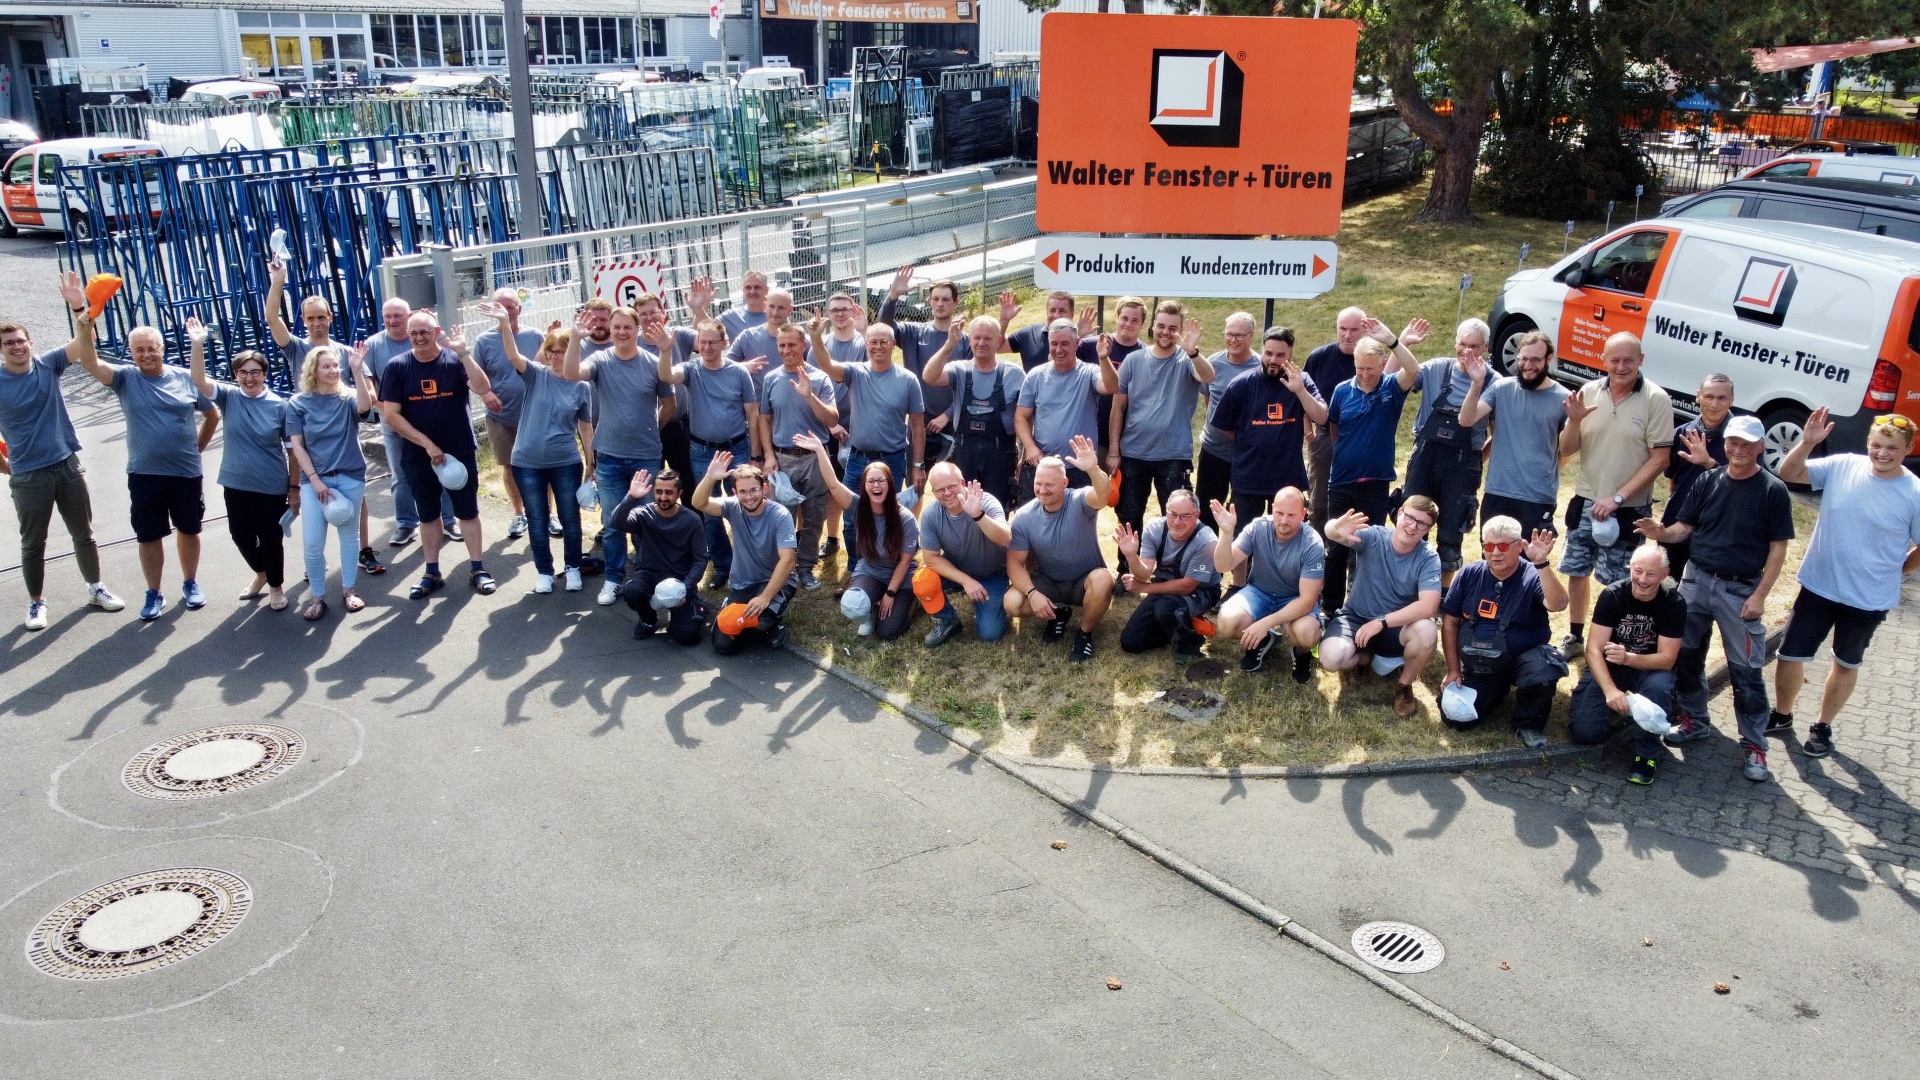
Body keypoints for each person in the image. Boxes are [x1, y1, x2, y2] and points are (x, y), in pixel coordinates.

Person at [1632, 413, 1791, 782]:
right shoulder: (1708, 480)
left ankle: (1754, 745)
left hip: (1740, 590)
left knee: (1746, 671)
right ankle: (1695, 719)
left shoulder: (1773, 490)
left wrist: (1760, 596)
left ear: (1760, 447)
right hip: (1696, 581)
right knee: (1685, 656)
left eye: (1747, 444)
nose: (1738, 449)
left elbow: (1778, 549)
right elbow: (1684, 529)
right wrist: (1660, 532)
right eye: (1733, 442)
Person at [1772, 409, 1920, 759]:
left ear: (1909, 448)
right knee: (1790, 654)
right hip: (1819, 585)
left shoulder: (1914, 492)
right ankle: (1781, 714)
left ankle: (1822, 726)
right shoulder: (1842, 465)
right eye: (1877, 445)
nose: (1882, 453)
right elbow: (1788, 473)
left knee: (1845, 662)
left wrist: (1897, 571)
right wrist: (1807, 443)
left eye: (1892, 448)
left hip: (1869, 599)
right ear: (1868, 442)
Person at [0, 274, 125, 628]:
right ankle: (36, 603)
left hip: (67, 465)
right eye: (9, 343)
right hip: (28, 474)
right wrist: (6, 466)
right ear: (1, 349)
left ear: (31, 342)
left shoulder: (48, 363)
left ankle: (96, 588)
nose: (17, 347)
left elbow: (85, 343)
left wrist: (78, 307)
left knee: (84, 534)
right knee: (33, 544)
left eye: (21, 341)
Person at [73, 323, 219, 621]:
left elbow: (212, 415)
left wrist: (197, 450)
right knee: (149, 535)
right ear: (131, 353)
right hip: (144, 473)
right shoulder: (125, 378)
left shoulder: (186, 378)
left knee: (189, 529)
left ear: (162, 349)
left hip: (186, 473)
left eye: (152, 348)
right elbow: (89, 362)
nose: (146, 355)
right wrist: (83, 325)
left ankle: (190, 583)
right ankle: (154, 592)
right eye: (139, 350)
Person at [265, 259, 384, 577]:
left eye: (322, 317)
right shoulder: (297, 348)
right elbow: (272, 319)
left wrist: (351, 392)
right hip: (306, 429)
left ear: (330, 318)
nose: (317, 323)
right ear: (303, 321)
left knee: (355, 495)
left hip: (342, 431)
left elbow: (370, 394)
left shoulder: (346, 353)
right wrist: (278, 282)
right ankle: (316, 559)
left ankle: (363, 550)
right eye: (311, 318)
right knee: (312, 494)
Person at [1557, 331, 1672, 652]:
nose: (1621, 367)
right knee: (1577, 571)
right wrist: (1573, 421)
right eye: (1615, 360)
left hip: (1628, 509)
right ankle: (1576, 636)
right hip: (1586, 501)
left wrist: (1618, 498)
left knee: (1620, 581)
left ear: (1641, 360)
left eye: (1628, 360)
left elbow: (1660, 459)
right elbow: (1566, 448)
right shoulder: (1588, 392)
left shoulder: (1656, 399)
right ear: (1603, 360)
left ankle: (1610, 643)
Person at [377, 310, 497, 599]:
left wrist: (464, 352)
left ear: (436, 331)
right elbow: (391, 415)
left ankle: (478, 569)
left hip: (459, 450)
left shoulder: (454, 361)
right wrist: (427, 444)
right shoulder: (397, 367)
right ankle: (432, 572)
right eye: (414, 333)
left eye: (425, 332)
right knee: (428, 514)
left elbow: (482, 388)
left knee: (468, 511)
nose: (419, 338)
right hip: (418, 455)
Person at [565, 305, 670, 607]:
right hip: (609, 457)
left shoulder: (653, 364)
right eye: (617, 327)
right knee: (613, 524)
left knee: (646, 522)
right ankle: (613, 578)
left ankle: (647, 577)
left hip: (646, 458)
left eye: (627, 327)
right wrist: (575, 338)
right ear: (610, 331)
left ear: (638, 330)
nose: (622, 332)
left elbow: (669, 404)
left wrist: (650, 429)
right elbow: (571, 374)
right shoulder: (601, 360)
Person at [187, 320, 293, 611]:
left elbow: (293, 451)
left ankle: (276, 586)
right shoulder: (229, 397)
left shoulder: (280, 406)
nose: (249, 378)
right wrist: (197, 344)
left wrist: (294, 487)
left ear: (265, 374)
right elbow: (198, 380)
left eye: (255, 372)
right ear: (235, 375)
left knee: (270, 538)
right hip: (236, 482)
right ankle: (261, 573)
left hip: (271, 484)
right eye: (243, 372)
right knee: (241, 536)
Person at [1438, 517, 1570, 748]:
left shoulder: (1533, 574)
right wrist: (1453, 670)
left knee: (1544, 669)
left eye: (1502, 546)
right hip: (1481, 664)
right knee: (1455, 718)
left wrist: (1542, 564)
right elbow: (1450, 623)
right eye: (1489, 546)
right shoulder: (1469, 573)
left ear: (1519, 546)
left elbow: (1559, 604)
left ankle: (1528, 724)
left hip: (1522, 661)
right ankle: (1497, 689)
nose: (1495, 553)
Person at [1322, 325, 1426, 611]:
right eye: (1359, 368)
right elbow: (1335, 429)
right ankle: (1330, 607)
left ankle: (1363, 605)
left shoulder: (1392, 387)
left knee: (1370, 547)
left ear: (1383, 364)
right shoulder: (1342, 390)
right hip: (1341, 480)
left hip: (1375, 483)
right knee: (1336, 545)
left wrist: (1393, 340)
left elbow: (1413, 369)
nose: (1365, 374)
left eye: (1370, 368)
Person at [491, 307, 594, 594]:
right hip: (527, 462)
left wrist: (591, 462)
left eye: (562, 351)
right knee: (537, 519)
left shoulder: (581, 386)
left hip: (565, 462)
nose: (556, 356)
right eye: (551, 351)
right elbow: (513, 356)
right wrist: (505, 323)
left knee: (570, 518)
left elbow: (585, 427)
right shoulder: (536, 374)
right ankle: (544, 572)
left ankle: (573, 568)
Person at [1389, 318, 1498, 586]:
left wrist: (1475, 460)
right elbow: (1389, 382)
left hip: (1462, 468)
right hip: (1424, 460)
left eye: (1474, 346)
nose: (1467, 351)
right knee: (1412, 526)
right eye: (1462, 344)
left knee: (1451, 536)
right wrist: (1402, 344)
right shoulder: (1437, 368)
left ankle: (1443, 596)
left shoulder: (1495, 383)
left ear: (1486, 347)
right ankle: (1406, 588)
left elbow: (1498, 434)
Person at [1568, 545, 1685, 786]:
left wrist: (1628, 658)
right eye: (1638, 571)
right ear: (1630, 568)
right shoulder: (1613, 595)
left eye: (1651, 574)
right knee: (1584, 733)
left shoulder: (1674, 602)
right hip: (1610, 667)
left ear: (1665, 574)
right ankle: (1632, 718)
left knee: (1658, 688)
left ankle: (1647, 754)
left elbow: (1667, 659)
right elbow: (1593, 650)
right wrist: (1610, 690)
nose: (1643, 579)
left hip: (1650, 670)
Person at [1107, 301, 1212, 565]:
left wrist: (1193, 352)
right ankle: (1127, 569)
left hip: (1173, 455)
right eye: (1161, 326)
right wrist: (1114, 451)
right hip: (1133, 453)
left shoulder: (1186, 360)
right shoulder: (1133, 360)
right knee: (1129, 515)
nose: (1166, 332)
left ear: (1180, 331)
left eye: (1173, 328)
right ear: (1153, 326)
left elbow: (1208, 376)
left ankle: (1173, 570)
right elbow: (1118, 408)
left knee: (1178, 518)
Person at [1320, 496, 1445, 717]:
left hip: (1394, 628)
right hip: (1355, 618)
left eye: (1422, 524)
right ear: (1399, 514)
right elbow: (1332, 533)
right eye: (1410, 517)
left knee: (1427, 630)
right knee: (1330, 659)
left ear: (1428, 529)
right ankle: (1364, 657)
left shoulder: (1428, 558)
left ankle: (1404, 685)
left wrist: (1381, 622)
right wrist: (1335, 527)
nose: (1412, 526)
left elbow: (1429, 607)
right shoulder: (1375, 537)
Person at [659, 318, 760, 589]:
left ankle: (749, 564)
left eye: (712, 343)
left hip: (737, 448)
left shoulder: (739, 373)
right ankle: (722, 566)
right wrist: (666, 350)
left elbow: (752, 413)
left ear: (724, 343)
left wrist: (755, 455)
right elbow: (667, 376)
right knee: (709, 511)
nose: (706, 348)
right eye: (702, 343)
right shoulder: (691, 369)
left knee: (746, 506)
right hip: (703, 451)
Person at [1005, 435, 1113, 663]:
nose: (1042, 490)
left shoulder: (1081, 501)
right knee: (1012, 602)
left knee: (1104, 579)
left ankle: (1084, 634)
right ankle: (1059, 612)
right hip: (1049, 582)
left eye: (1049, 485)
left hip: (1084, 582)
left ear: (1064, 483)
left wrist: (1093, 469)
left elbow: (1103, 494)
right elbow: (1014, 563)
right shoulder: (1023, 517)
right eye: (1038, 484)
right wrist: (1033, 594)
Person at [287, 344, 376, 619]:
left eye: (336, 365)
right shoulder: (298, 403)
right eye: (326, 366)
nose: (333, 370)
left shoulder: (347, 397)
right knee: (313, 542)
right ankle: (317, 597)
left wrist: (357, 371)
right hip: (314, 482)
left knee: (349, 537)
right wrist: (315, 481)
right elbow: (297, 446)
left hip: (350, 476)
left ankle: (349, 590)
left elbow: (365, 407)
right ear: (313, 371)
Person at [1206, 327, 1326, 529]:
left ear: (1291, 355)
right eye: (1268, 353)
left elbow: (1321, 417)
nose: (1273, 360)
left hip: (1287, 478)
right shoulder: (1242, 384)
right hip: (1248, 478)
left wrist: (1300, 391)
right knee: (1242, 537)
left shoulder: (1301, 380)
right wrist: (1249, 438)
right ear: (1262, 350)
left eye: (1280, 355)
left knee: (1287, 536)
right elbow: (1223, 425)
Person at [812, 315, 925, 531]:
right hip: (857, 459)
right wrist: (816, 337)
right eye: (873, 342)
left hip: (892, 459)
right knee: (851, 518)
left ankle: (885, 553)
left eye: (883, 342)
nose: (878, 346)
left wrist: (918, 465)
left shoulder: (908, 380)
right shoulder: (856, 372)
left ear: (893, 345)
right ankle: (855, 555)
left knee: (887, 517)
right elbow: (827, 364)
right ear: (866, 344)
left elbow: (918, 426)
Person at [1457, 329, 1571, 542]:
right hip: (1497, 492)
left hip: (1538, 497)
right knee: (1492, 554)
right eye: (1523, 359)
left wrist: (1546, 473)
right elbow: (1466, 419)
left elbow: (1567, 450)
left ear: (1549, 359)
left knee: (1530, 557)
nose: (1528, 365)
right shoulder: (1501, 388)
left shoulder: (1564, 398)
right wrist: (1476, 383)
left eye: (1535, 360)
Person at [363, 297, 456, 547]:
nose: (392, 321)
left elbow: (451, 358)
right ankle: (406, 523)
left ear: (409, 317)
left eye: (398, 316)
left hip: (433, 423)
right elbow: (370, 392)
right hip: (395, 427)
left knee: (443, 469)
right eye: (387, 316)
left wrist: (437, 329)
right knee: (401, 476)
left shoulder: (423, 336)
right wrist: (394, 415)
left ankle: (449, 520)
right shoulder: (373, 345)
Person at [1211, 487, 1324, 680]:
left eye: (1291, 515)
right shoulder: (1258, 527)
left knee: (1306, 634)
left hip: (1295, 598)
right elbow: (1223, 565)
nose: (1284, 520)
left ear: (1303, 514)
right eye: (1279, 513)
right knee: (1227, 622)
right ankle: (1263, 639)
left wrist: (1266, 622)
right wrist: (1227, 533)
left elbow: (1307, 601)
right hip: (1259, 592)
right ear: (1272, 509)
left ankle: (1301, 652)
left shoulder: (1312, 543)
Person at [759, 324, 839, 590]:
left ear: (803, 346)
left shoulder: (820, 378)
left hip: (815, 458)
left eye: (791, 344)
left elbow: (832, 419)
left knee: (814, 515)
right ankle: (783, 569)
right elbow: (764, 418)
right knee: (782, 517)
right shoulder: (771, 379)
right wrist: (768, 455)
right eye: (781, 345)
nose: (786, 350)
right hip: (782, 459)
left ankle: (805, 567)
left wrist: (810, 396)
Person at [692, 452, 798, 654]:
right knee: (723, 645)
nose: (749, 497)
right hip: (743, 584)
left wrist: (765, 597)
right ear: (735, 492)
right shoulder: (732, 507)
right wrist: (710, 477)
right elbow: (699, 503)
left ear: (764, 489)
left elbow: (788, 560)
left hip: (774, 581)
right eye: (743, 492)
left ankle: (772, 624)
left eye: (754, 490)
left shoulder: (780, 515)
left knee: (762, 618)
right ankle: (749, 622)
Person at [927, 315, 1026, 509]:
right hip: (964, 451)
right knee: (960, 506)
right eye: (977, 337)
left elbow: (1026, 417)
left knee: (996, 508)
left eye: (988, 338)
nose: (981, 343)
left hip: (1000, 454)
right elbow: (929, 377)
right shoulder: (959, 370)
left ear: (998, 340)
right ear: (969, 339)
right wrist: (950, 344)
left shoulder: (1015, 374)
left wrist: (1025, 453)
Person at [469, 288, 545, 540]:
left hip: (535, 415)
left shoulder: (535, 336)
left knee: (542, 465)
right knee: (509, 466)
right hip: (500, 417)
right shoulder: (484, 341)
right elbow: (472, 376)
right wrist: (485, 394)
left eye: (510, 306)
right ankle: (519, 513)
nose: (504, 311)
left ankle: (548, 514)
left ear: (519, 309)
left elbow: (546, 371)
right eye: (499, 307)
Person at [1014, 319, 1118, 502]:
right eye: (1054, 343)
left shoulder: (1088, 372)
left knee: (1079, 517)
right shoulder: (1035, 376)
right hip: (1044, 466)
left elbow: (1111, 387)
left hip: (1080, 467)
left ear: (1077, 343)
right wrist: (1030, 448)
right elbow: (1021, 417)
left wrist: (1103, 358)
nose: (1058, 349)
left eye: (1064, 343)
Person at [1116, 490, 1221, 663]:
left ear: (1197, 515)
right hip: (1166, 586)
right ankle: (1180, 624)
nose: (1177, 522)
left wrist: (1144, 588)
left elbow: (1187, 586)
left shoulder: (1207, 540)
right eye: (1172, 514)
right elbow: (1143, 573)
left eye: (1185, 516)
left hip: (1202, 590)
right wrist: (1131, 556)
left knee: (1165, 608)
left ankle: (1190, 642)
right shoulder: (1154, 528)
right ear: (1166, 512)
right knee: (1131, 642)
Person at [915, 462, 1013, 647]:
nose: (947, 493)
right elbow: (931, 558)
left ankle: (993, 599)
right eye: (940, 490)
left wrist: (978, 515)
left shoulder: (986, 502)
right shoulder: (930, 515)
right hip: (958, 565)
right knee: (922, 580)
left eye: (951, 486)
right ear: (933, 492)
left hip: (993, 572)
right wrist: (966, 581)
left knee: (990, 633)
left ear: (962, 482)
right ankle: (947, 620)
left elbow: (1005, 538)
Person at [608, 467, 709, 644]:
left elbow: (700, 559)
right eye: (659, 492)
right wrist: (631, 497)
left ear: (679, 494)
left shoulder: (692, 520)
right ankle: (648, 619)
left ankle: (689, 610)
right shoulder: (643, 514)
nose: (663, 497)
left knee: (688, 636)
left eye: (669, 492)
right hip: (649, 574)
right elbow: (616, 522)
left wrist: (684, 588)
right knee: (632, 592)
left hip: (679, 579)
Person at [804, 291, 869, 560]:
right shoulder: (821, 345)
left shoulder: (864, 343)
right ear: (828, 315)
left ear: (853, 311)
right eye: (835, 310)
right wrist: (831, 425)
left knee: (861, 486)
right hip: (828, 427)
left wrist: (865, 331)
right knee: (833, 486)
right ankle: (832, 539)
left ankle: (865, 538)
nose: (840, 314)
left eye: (845, 309)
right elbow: (810, 387)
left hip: (860, 426)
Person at [877, 268, 961, 466]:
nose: (940, 304)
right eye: (936, 299)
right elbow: (884, 327)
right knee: (916, 480)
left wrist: (947, 415)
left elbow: (971, 384)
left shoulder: (963, 340)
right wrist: (893, 296)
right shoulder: (913, 333)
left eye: (946, 299)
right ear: (929, 301)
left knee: (950, 482)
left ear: (956, 302)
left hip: (952, 427)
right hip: (918, 425)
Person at [1302, 307, 1373, 531]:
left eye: (1354, 330)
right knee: (1319, 497)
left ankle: (1355, 545)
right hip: (1324, 438)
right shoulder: (1319, 357)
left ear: (1364, 330)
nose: (1347, 335)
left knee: (1357, 497)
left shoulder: (1372, 360)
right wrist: (1309, 435)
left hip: (1362, 439)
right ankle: (1316, 542)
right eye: (1342, 329)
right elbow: (1301, 395)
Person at [1661, 374, 1733, 582]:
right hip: (1675, 530)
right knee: (1667, 589)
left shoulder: (1741, 442)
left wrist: (1709, 463)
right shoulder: (1681, 434)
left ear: (1732, 399)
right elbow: (1673, 483)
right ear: (1698, 396)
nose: (1714, 404)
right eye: (1709, 396)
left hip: (1715, 535)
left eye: (1722, 398)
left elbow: (1746, 488)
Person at [841, 451, 920, 641]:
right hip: (871, 571)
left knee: (887, 631)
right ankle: (870, 611)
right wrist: (820, 451)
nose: (876, 485)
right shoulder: (859, 508)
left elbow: (905, 561)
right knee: (851, 603)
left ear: (890, 484)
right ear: (864, 486)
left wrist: (890, 594)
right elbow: (834, 485)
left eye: (881, 480)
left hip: (900, 576)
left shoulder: (905, 518)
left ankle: (912, 603)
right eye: (871, 481)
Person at [1194, 312, 1261, 533]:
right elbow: (1209, 400)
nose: (1233, 340)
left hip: (1247, 455)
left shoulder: (1260, 367)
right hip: (1213, 451)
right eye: (1229, 334)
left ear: (1251, 336)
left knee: (1244, 514)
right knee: (1207, 510)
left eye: (1239, 335)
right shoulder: (1213, 363)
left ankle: (1238, 552)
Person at [1078, 296, 1149, 461]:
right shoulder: (1093, 345)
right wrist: (1077, 335)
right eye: (1124, 318)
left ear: (1142, 324)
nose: (1128, 324)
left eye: (1135, 320)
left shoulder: (1147, 355)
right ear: (1117, 318)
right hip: (1092, 435)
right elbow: (1054, 360)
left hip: (1131, 439)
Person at [725, 286, 800, 395]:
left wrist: (816, 337)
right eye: (771, 307)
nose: (775, 312)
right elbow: (723, 366)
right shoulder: (748, 337)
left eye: (781, 308)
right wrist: (742, 367)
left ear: (790, 310)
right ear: (765, 306)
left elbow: (816, 371)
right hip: (757, 404)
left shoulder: (801, 339)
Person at [1003, 291, 1089, 371]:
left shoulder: (1085, 340)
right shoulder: (1030, 333)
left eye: (1062, 311)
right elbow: (999, 345)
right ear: (1046, 312)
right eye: (1052, 310)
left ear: (1072, 314)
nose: (1056, 315)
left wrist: (1077, 334)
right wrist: (1004, 320)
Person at [719, 269, 770, 341]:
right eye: (748, 288)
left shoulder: (776, 315)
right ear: (743, 290)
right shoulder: (732, 317)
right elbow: (707, 328)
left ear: (766, 290)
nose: (752, 292)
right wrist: (703, 306)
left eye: (757, 287)